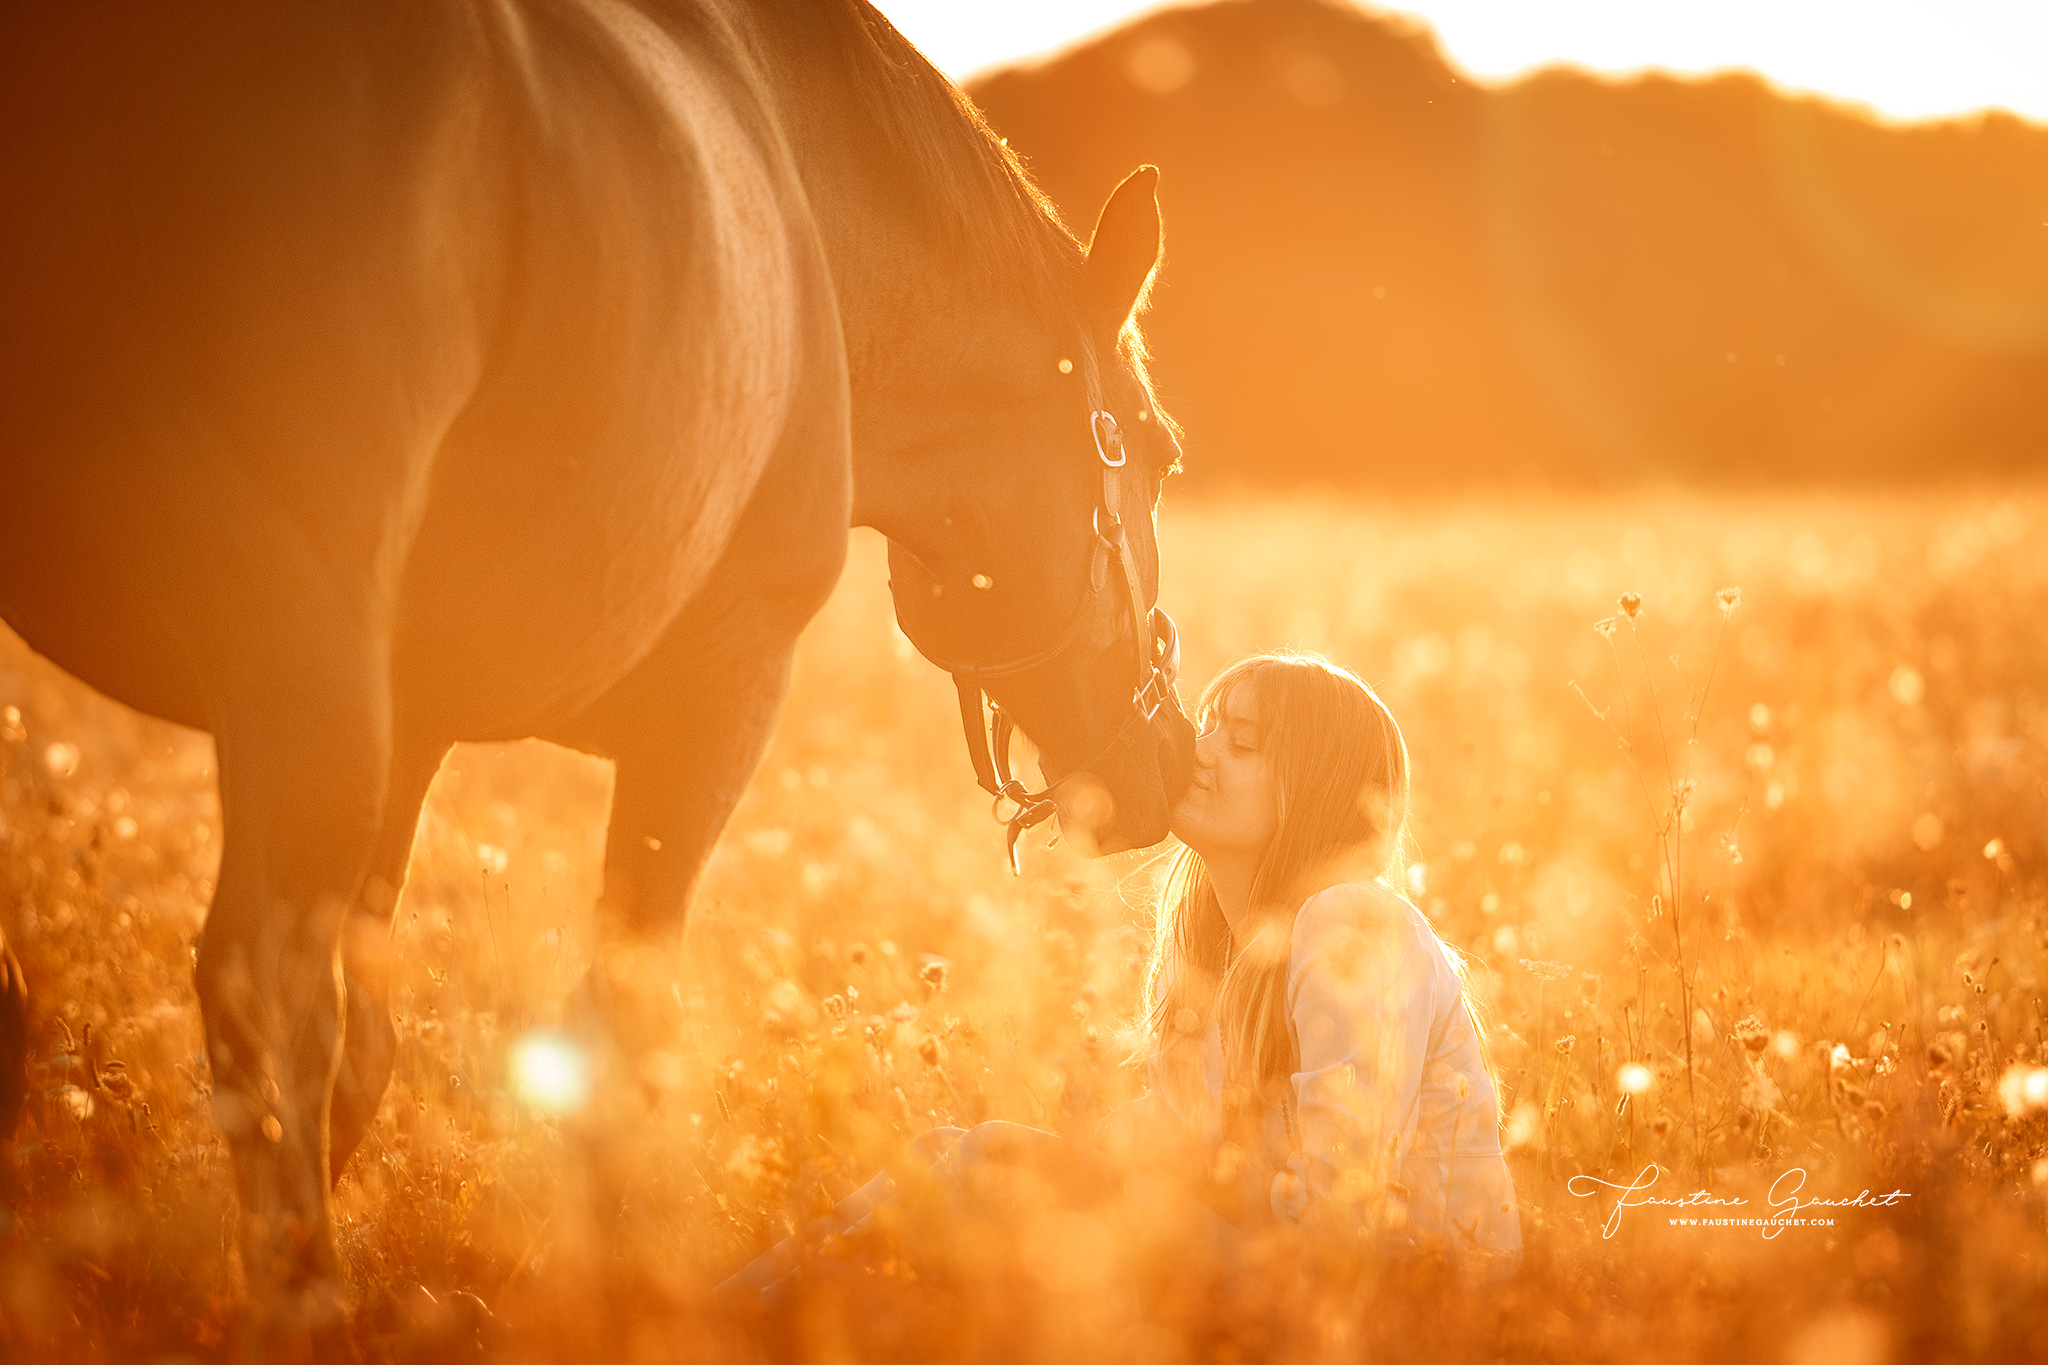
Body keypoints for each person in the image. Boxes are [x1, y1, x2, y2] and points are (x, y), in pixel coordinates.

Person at [719, 650, 1522, 1299]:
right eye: (1209, 726)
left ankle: (733, 1326)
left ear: (1314, 791)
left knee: (992, 1193)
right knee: (959, 1158)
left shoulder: (1353, 920)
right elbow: (1163, 1142)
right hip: (1278, 1285)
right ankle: (736, 1317)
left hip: (1402, 1312)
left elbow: (1339, 1219)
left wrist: (1089, 1195)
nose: (1200, 749)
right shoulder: (1213, 945)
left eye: (1243, 743)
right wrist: (1053, 1165)